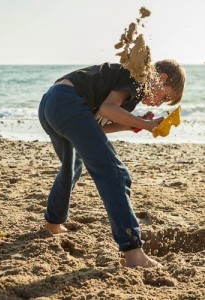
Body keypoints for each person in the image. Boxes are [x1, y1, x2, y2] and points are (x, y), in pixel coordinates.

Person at [38, 59, 185, 268]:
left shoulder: (129, 91)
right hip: (69, 103)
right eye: (165, 96)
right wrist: (146, 124)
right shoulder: (139, 75)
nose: (159, 103)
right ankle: (133, 252)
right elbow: (107, 109)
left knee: (72, 167)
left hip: (51, 103)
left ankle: (53, 223)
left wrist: (134, 126)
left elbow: (95, 126)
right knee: (116, 174)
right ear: (160, 79)